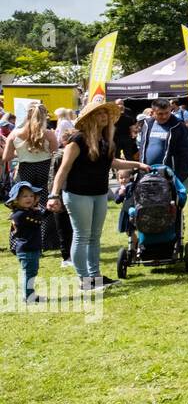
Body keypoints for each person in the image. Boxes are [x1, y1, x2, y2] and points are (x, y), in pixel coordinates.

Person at [48, 101, 149, 290]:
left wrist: (137, 165)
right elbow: (63, 169)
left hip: (99, 193)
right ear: (89, 118)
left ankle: (95, 276)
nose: (104, 116)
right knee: (82, 236)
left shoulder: (105, 140)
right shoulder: (77, 140)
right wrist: (53, 195)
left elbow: (112, 162)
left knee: (95, 237)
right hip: (78, 194)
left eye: (106, 113)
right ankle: (84, 280)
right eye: (99, 113)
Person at [1, 103, 66, 266]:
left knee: (21, 205)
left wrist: (21, 151)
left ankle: (18, 242)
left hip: (25, 170)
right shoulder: (49, 133)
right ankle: (46, 242)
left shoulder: (15, 133)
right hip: (45, 169)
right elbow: (55, 153)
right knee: (46, 205)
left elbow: (7, 157)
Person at [137, 98, 188, 183]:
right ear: (152, 113)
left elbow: (187, 153)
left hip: (170, 175)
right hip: (147, 174)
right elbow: (143, 147)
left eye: (167, 113)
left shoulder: (179, 126)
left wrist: (180, 177)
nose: (164, 116)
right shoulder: (147, 124)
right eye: (160, 114)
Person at [8, 181, 47, 303]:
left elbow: (38, 217)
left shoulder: (27, 212)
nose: (29, 198)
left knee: (31, 272)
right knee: (29, 273)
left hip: (31, 248)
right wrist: (47, 211)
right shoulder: (20, 215)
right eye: (24, 196)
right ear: (16, 200)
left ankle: (30, 295)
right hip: (27, 250)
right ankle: (28, 297)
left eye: (31, 195)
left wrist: (39, 210)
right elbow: (38, 221)